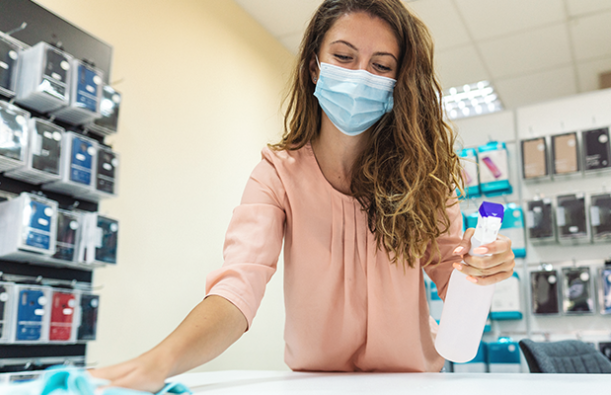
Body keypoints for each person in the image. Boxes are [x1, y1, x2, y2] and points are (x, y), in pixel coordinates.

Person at [91, 0, 515, 390]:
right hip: (314, 385)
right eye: (344, 57)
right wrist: (158, 362)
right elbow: (237, 289)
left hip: (411, 383)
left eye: (381, 66)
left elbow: (453, 281)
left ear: (399, 80)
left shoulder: (424, 180)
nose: (359, 77)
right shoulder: (276, 175)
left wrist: (483, 266)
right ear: (315, 65)